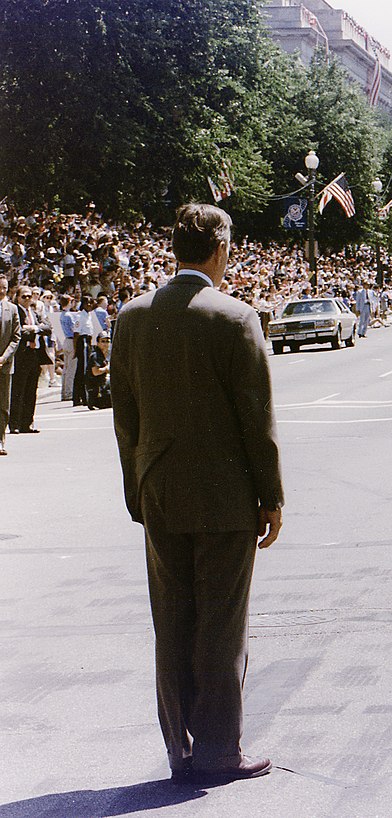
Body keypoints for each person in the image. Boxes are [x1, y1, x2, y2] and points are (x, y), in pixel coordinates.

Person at [111, 203, 283, 785]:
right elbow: (256, 419)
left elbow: (125, 416)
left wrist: (136, 485)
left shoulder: (132, 316)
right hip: (225, 495)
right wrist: (271, 496)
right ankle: (219, 749)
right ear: (220, 250)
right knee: (221, 622)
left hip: (158, 488)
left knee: (172, 618)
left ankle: (179, 745)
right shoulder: (235, 316)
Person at [9, 286, 53, 434]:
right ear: (18, 297)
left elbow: (47, 327)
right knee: (18, 390)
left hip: (35, 355)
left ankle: (27, 423)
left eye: (29, 296)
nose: (27, 299)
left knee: (31, 391)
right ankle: (14, 423)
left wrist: (34, 328)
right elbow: (18, 331)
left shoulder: (34, 312)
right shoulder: (15, 311)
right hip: (22, 354)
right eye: (24, 296)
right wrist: (32, 329)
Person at [0, 276, 19, 455]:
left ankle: (0, 440)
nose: (1, 290)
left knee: (3, 405)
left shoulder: (12, 309)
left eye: (4, 287)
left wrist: (3, 358)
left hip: (4, 365)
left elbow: (16, 337)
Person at [87, 331, 112, 409]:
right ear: (97, 343)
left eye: (107, 341)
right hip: (98, 392)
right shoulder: (95, 355)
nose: (105, 344)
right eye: (103, 341)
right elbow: (95, 372)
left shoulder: (105, 354)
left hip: (103, 388)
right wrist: (107, 368)